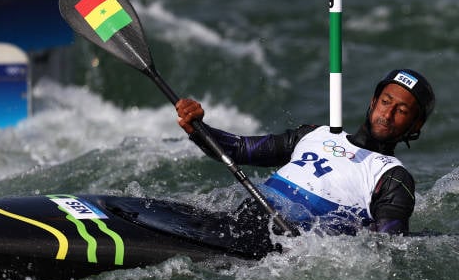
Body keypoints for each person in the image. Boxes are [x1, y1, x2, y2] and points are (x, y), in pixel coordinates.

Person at [175, 69, 435, 236]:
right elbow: (238, 149)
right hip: (233, 222)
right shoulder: (314, 134)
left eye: (401, 111)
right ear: (373, 102)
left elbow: (388, 248)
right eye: (386, 102)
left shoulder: (393, 178)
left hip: (277, 247)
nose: (387, 115)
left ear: (416, 124)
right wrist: (197, 127)